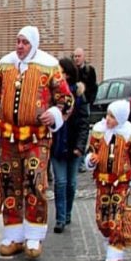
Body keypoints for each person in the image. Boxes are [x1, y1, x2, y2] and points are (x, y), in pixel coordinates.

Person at [0, 26, 73, 259]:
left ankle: (34, 235)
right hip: (8, 138)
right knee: (10, 184)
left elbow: (66, 99)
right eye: (18, 41)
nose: (20, 46)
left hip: (37, 137)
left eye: (24, 42)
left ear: (33, 44)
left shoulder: (49, 66)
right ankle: (13, 234)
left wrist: (54, 113)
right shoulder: (5, 65)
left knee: (35, 182)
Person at [84, 100, 131, 261]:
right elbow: (91, 150)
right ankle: (109, 240)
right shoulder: (99, 131)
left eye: (112, 117)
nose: (107, 119)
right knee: (102, 217)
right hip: (102, 181)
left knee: (116, 216)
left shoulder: (129, 134)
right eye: (108, 115)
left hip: (121, 182)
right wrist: (91, 160)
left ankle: (115, 253)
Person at [50, 58, 90, 233]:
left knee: (71, 184)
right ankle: (60, 219)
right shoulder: (52, 96)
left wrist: (80, 146)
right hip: (57, 146)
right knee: (60, 182)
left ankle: (67, 213)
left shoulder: (78, 95)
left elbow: (83, 123)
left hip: (74, 145)